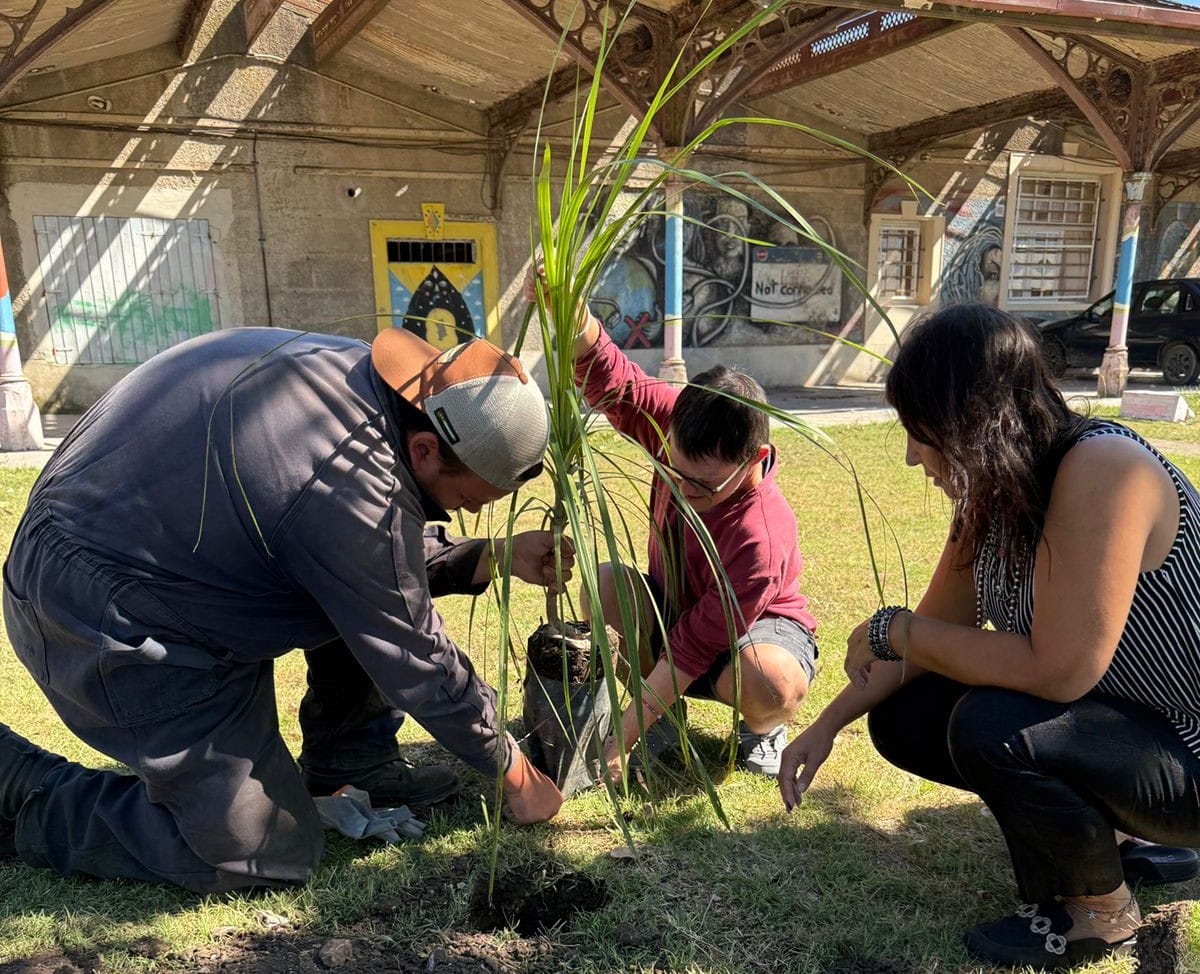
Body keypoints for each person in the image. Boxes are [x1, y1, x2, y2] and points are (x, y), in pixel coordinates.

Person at [0, 325, 567, 893]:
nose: (463, 514)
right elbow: (412, 646)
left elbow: (360, 547)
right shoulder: (347, 487)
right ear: (424, 450)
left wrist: (493, 555)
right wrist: (516, 775)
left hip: (140, 548)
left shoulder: (362, 384)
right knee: (263, 849)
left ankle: (351, 759)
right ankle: (21, 781)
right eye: (465, 500)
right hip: (102, 606)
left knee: (356, 592)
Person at [778, 304, 1200, 970]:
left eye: (919, 430)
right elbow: (931, 641)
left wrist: (897, 630)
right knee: (906, 715)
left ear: (974, 423)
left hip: (1190, 749)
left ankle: (1102, 912)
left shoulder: (1102, 470)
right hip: (1131, 733)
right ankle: (1120, 839)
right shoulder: (994, 498)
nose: (911, 454)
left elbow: (1059, 670)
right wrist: (827, 724)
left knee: (993, 722)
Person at [527, 271, 818, 779]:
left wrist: (622, 735)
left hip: (751, 635)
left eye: (702, 484)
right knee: (609, 583)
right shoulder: (675, 422)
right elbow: (613, 380)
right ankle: (663, 713)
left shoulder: (761, 534)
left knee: (768, 681)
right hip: (675, 612)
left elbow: (696, 643)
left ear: (757, 458)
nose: (683, 489)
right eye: (672, 471)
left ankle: (762, 728)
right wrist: (568, 312)